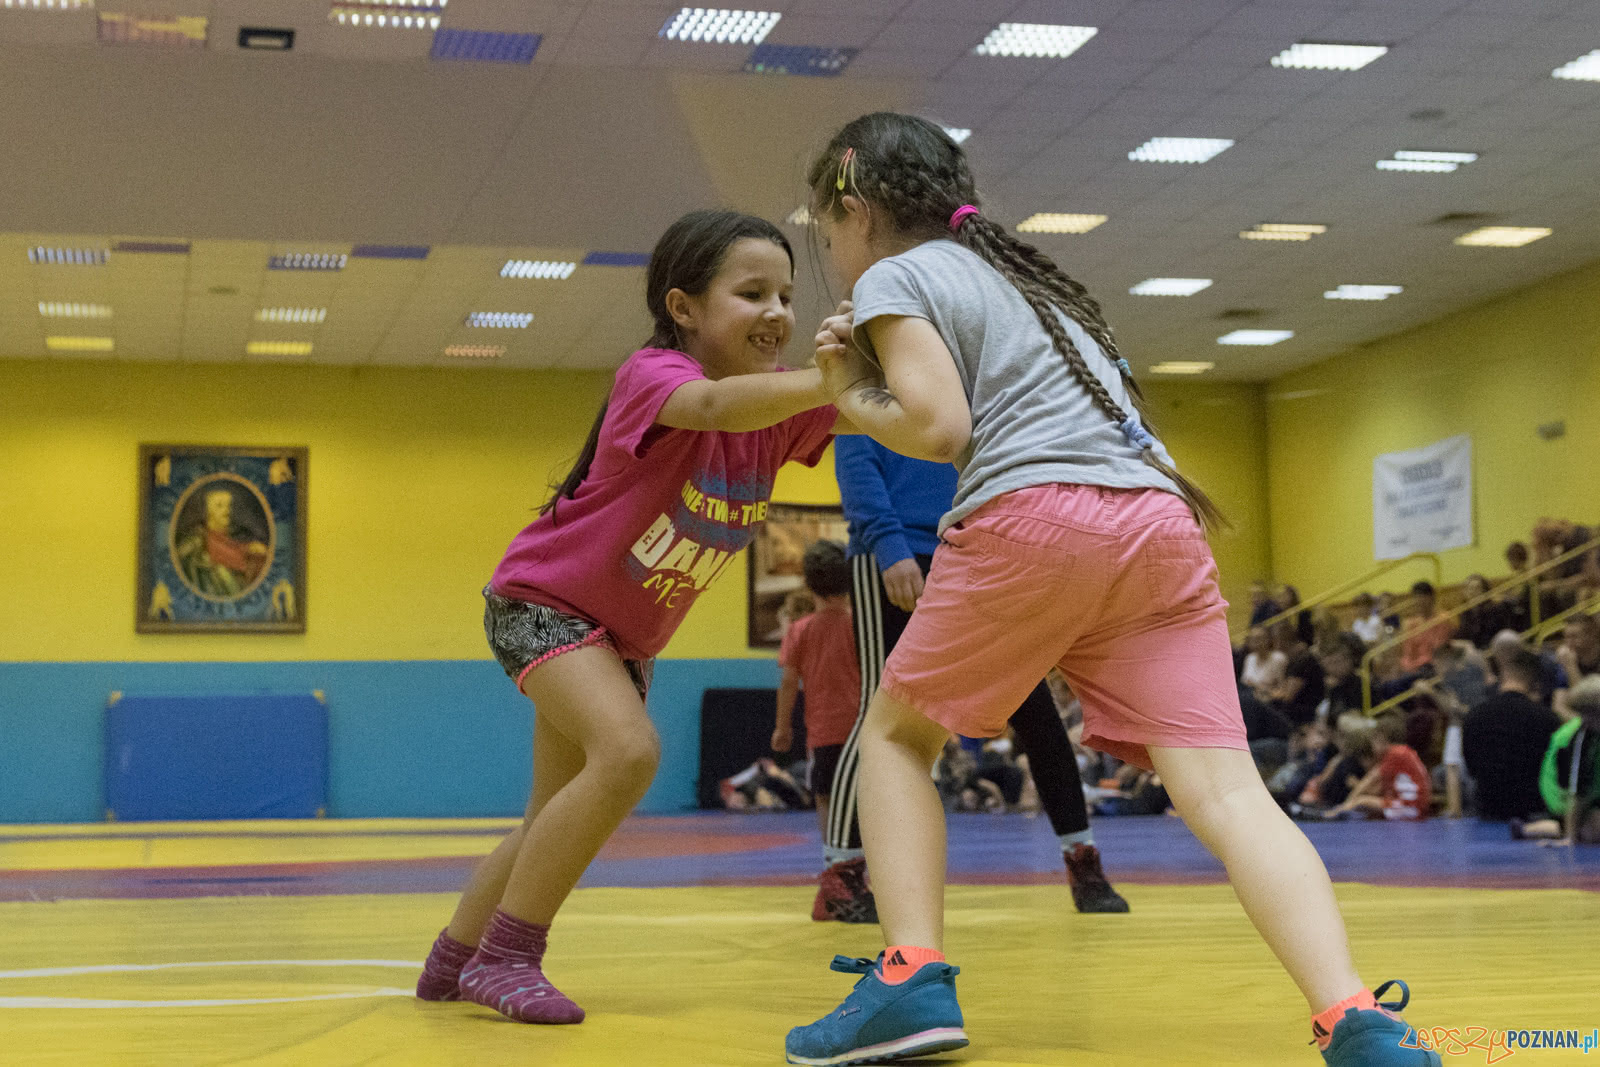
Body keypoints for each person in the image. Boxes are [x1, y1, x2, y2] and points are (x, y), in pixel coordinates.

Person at [784, 112, 1437, 1067]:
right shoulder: (1036, 287)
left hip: (1034, 518)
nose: (833, 254)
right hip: (1160, 528)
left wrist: (846, 387)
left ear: (852, 208)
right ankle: (1354, 1019)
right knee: (1227, 790)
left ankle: (909, 976)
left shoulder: (897, 273)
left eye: (826, 233)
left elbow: (935, 425)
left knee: (894, 736)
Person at [411, 210, 845, 1024]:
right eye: (752, 292)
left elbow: (897, 420)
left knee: (551, 813)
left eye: (787, 294)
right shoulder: (654, 373)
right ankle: (509, 954)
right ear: (683, 307)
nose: (779, 312)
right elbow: (717, 405)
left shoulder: (780, 411)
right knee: (629, 749)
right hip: (542, 606)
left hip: (619, 640)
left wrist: (948, 385)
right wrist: (833, 373)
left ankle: (454, 957)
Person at [821, 436, 1128, 921]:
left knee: (1036, 709)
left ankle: (1082, 860)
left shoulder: (958, 380)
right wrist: (887, 545)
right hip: (893, 557)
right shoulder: (868, 379)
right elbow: (857, 464)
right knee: (878, 715)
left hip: (975, 553)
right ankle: (841, 873)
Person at [773, 541, 862, 854]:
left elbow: (787, 683)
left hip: (824, 732)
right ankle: (866, 858)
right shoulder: (861, 625)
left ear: (808, 583)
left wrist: (782, 728)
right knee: (863, 795)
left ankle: (834, 860)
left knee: (824, 796)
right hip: (862, 730)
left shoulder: (800, 630)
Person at [1461, 644, 1561, 821]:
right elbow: (1555, 770)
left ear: (1503, 677)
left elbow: (1471, 768)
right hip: (1534, 811)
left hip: (1488, 811)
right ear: (1536, 684)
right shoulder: (1548, 720)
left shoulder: (1473, 716)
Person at [1325, 715, 1431, 822]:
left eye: (1373, 741)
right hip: (1414, 806)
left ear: (1381, 739)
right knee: (1366, 809)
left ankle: (1332, 815)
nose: (1372, 747)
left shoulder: (1394, 754)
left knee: (1361, 801)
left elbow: (1367, 782)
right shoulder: (1402, 752)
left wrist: (1346, 804)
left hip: (1410, 807)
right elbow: (1377, 788)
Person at [175, 485, 269, 596]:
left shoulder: (240, 533)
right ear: (208, 511)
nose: (226, 511)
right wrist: (248, 550)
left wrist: (250, 548)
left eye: (228, 506)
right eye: (219, 506)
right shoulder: (199, 539)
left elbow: (231, 546)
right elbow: (228, 555)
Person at [1399, 581, 1453, 673]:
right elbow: (1408, 652)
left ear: (1431, 598)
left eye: (1423, 597)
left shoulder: (1442, 619)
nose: (1419, 601)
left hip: (1435, 666)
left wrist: (1415, 666)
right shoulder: (1412, 623)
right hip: (1415, 669)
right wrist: (1409, 667)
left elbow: (1438, 651)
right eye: (1416, 597)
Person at [1240, 625, 1288, 700]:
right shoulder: (1249, 658)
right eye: (1252, 639)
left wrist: (1257, 687)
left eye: (1259, 638)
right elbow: (1245, 683)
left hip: (1270, 702)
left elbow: (1283, 691)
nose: (1256, 642)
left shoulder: (1278, 658)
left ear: (1268, 640)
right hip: (1250, 700)